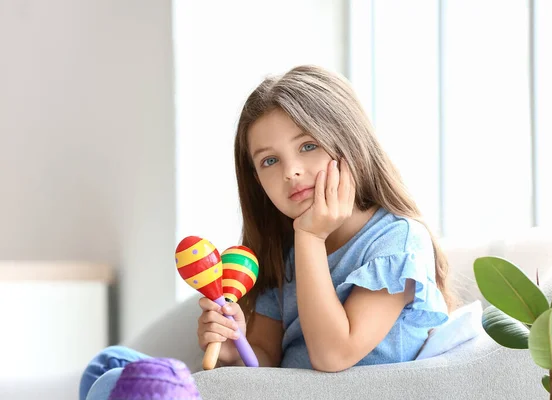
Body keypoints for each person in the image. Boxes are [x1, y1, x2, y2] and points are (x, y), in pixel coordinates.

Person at [79, 64, 456, 400]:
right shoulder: (283, 254)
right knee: (109, 364)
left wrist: (310, 237)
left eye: (308, 145)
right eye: (270, 161)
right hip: (277, 389)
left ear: (352, 144)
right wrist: (234, 346)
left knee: (111, 382)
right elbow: (264, 357)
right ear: (256, 179)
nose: (291, 171)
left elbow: (333, 354)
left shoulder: (396, 241)